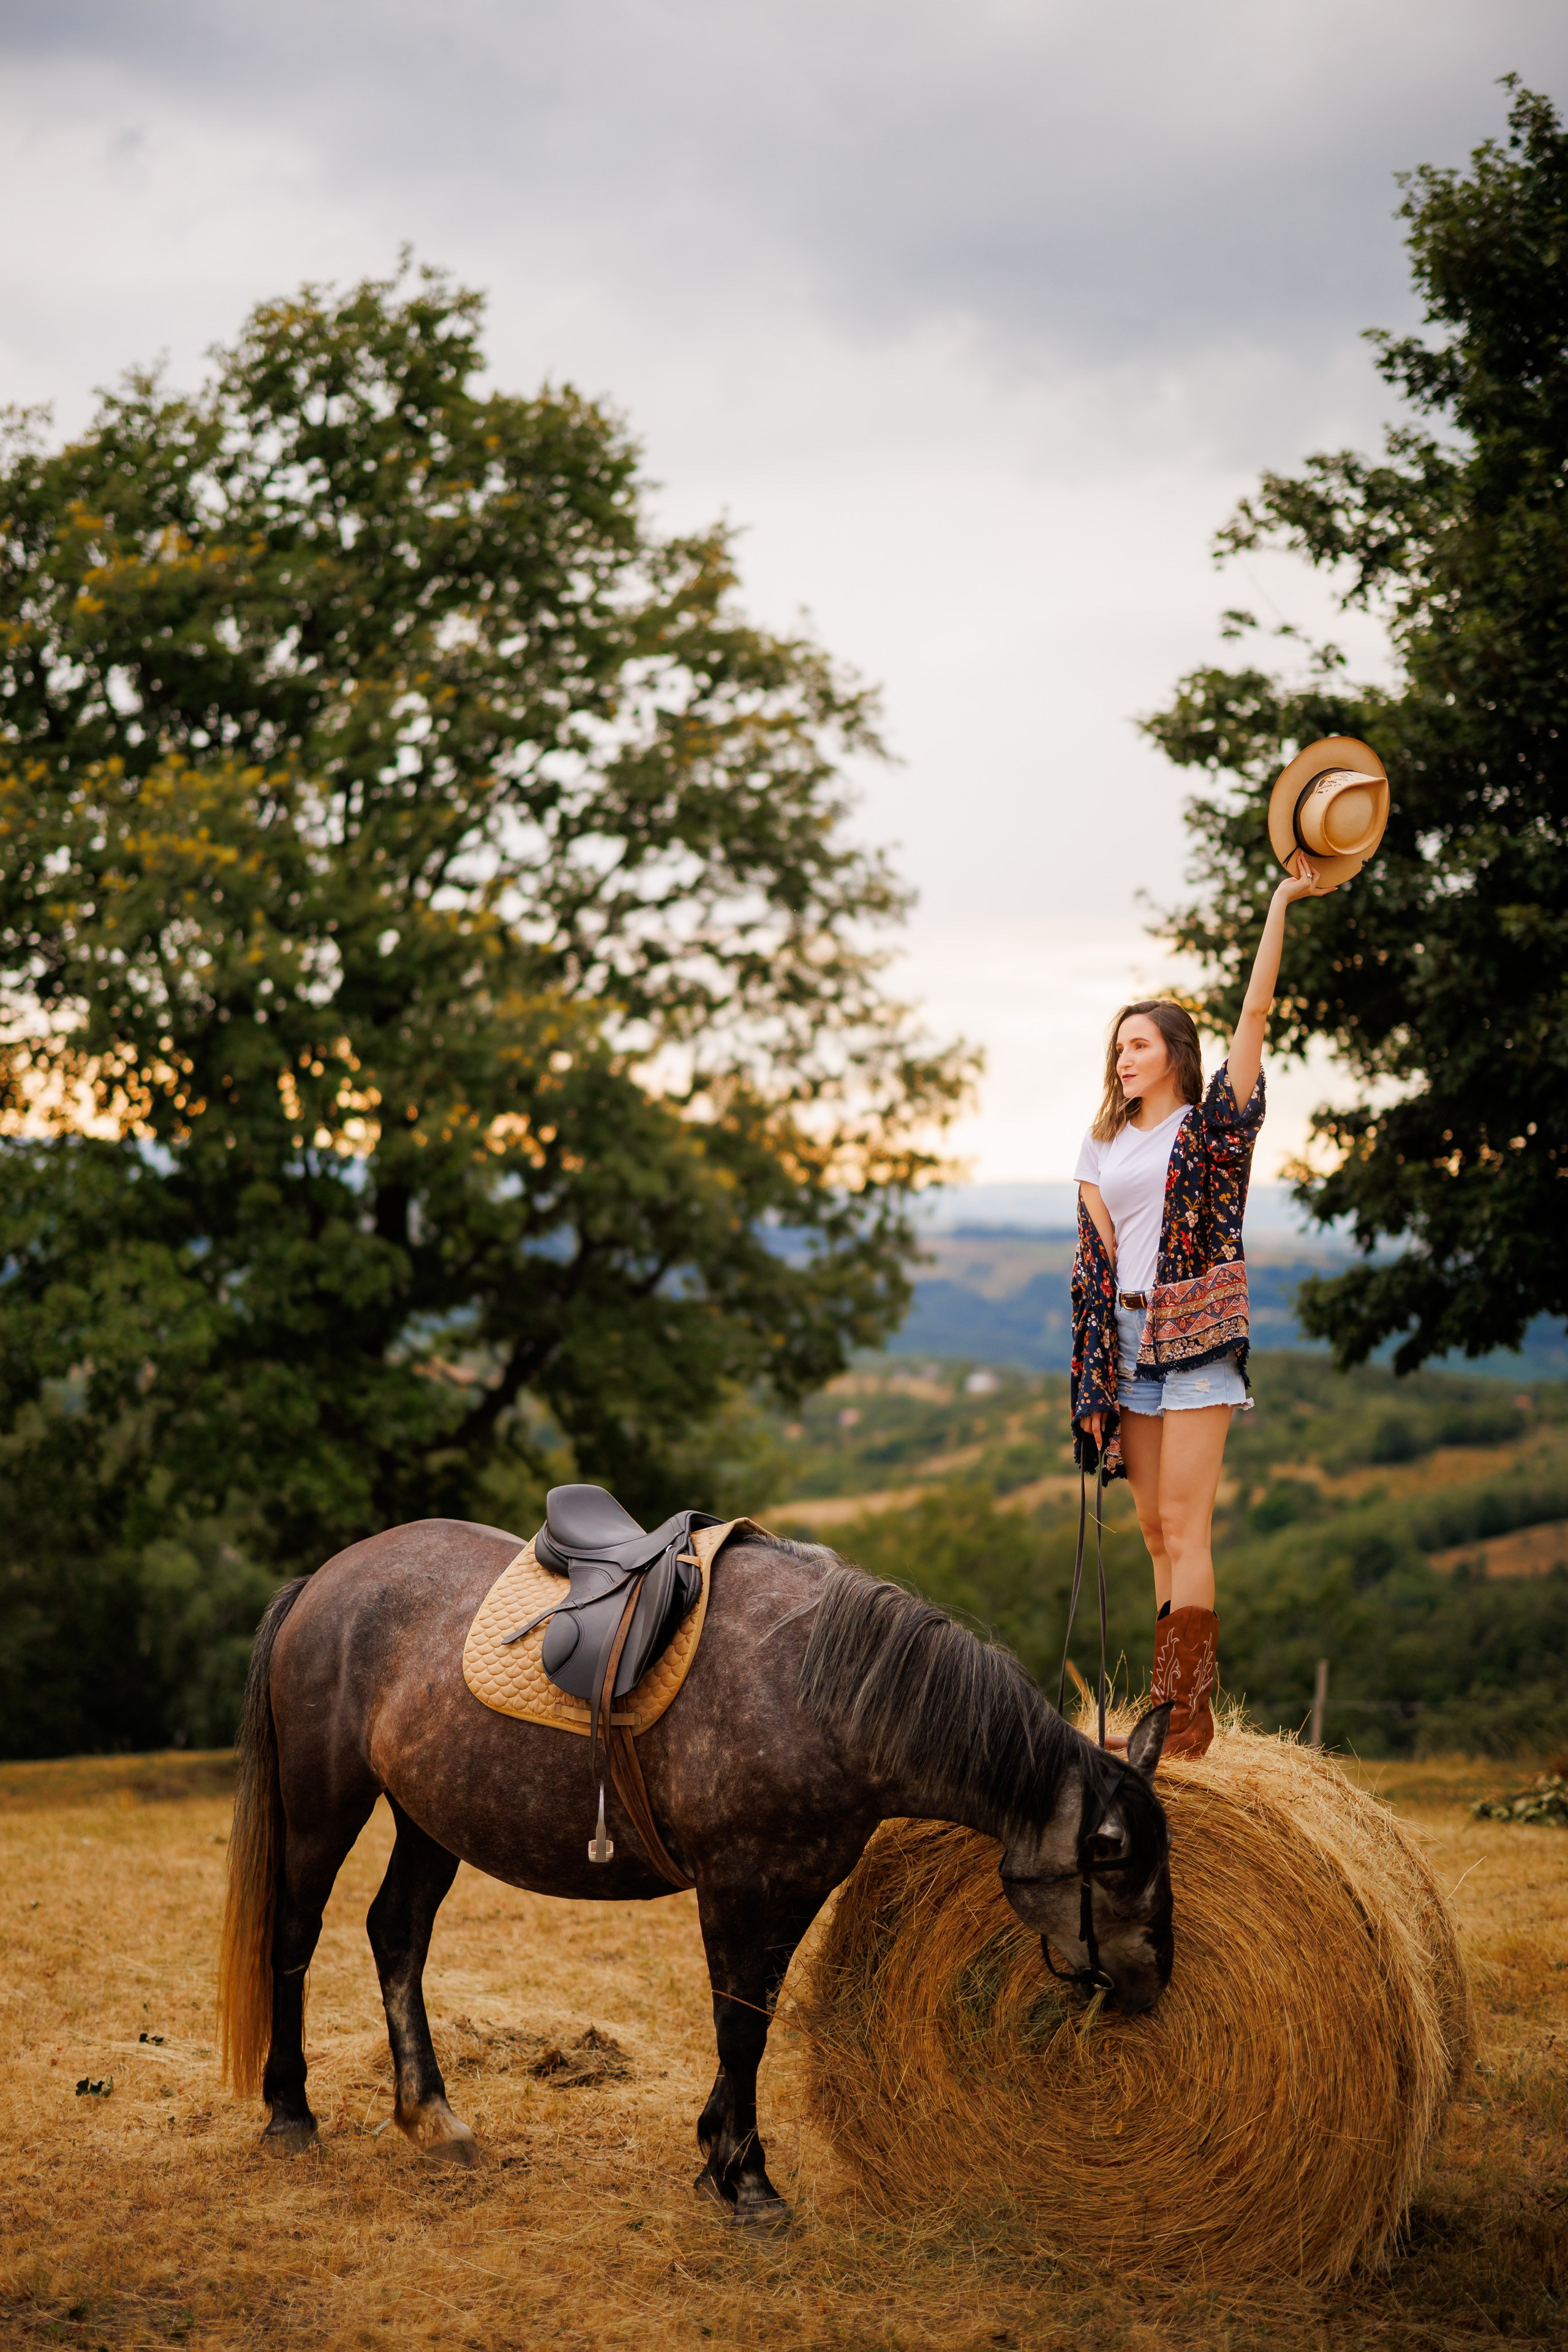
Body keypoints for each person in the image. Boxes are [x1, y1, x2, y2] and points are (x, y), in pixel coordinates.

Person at [1069, 850, 1322, 1759]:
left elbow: (1255, 1011)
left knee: (1186, 1522)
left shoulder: (1212, 1129)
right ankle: (1163, 1698)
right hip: (1128, 1343)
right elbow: (1093, 1271)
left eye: (1138, 1044)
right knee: (1147, 1530)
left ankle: (1185, 1715)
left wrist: (1282, 902)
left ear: (1176, 1054)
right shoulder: (1101, 1143)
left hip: (1199, 1338)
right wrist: (1092, 1387)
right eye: (1117, 1048)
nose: (1123, 1059)